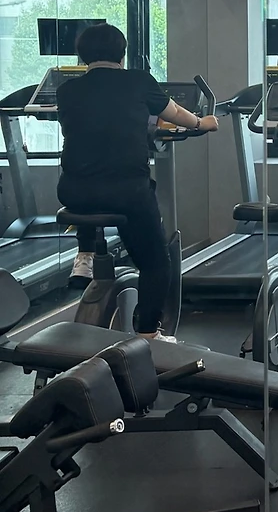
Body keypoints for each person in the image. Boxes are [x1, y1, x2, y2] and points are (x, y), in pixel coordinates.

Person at [57, 22, 217, 334]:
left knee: (92, 180)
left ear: (82, 56)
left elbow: (93, 124)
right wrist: (203, 123)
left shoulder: (67, 90)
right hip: (127, 194)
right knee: (155, 263)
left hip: (73, 193)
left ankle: (85, 253)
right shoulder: (139, 81)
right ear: (122, 54)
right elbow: (176, 114)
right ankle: (149, 333)